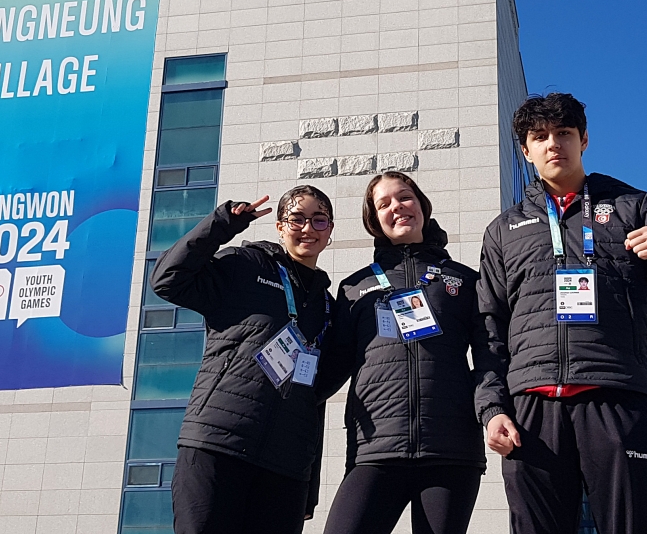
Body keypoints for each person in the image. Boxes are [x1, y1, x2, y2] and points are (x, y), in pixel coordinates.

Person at [476, 93, 647, 534]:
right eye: (540, 136)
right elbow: (489, 332)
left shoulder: (631, 205)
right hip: (532, 407)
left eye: (564, 133)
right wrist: (492, 409)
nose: (554, 144)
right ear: (525, 151)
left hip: (616, 398)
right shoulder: (503, 230)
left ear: (584, 140)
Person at [320, 171, 503, 534]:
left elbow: (490, 353)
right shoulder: (355, 288)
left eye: (404, 197)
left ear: (420, 204)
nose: (397, 207)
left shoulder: (464, 280)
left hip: (450, 449)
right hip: (375, 449)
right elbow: (329, 370)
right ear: (374, 219)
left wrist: (493, 410)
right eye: (384, 203)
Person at [151, 186, 337, 534]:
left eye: (319, 220)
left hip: (284, 466)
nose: (308, 228)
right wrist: (222, 225)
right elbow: (167, 281)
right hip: (218, 443)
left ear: (329, 231)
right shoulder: (245, 265)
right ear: (280, 226)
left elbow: (316, 397)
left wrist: (308, 485)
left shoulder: (328, 306)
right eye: (297, 218)